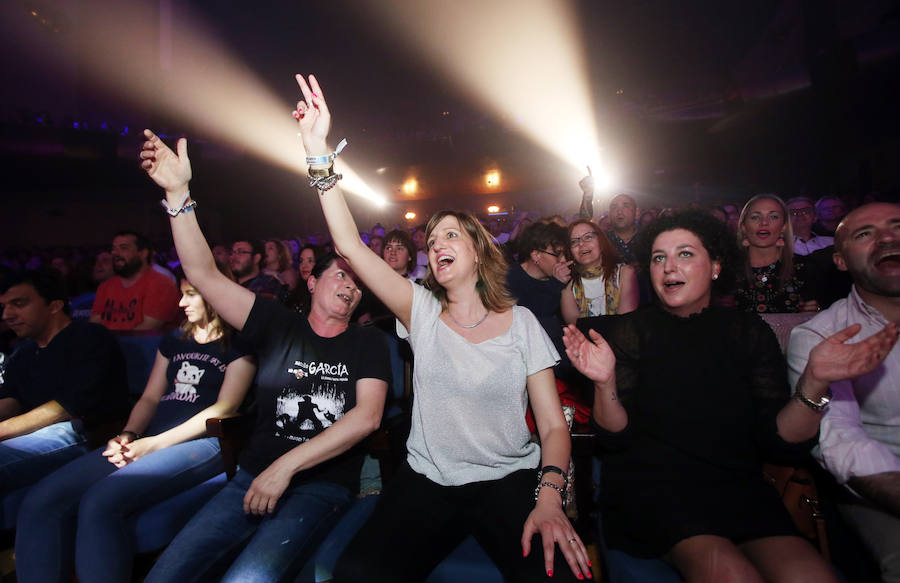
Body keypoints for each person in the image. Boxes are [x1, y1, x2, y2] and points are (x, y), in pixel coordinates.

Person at [290, 73, 588, 582]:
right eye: (432, 237)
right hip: (427, 480)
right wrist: (319, 154)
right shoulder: (421, 311)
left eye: (451, 233)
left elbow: (554, 426)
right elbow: (350, 246)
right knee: (358, 574)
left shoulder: (521, 325)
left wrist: (550, 495)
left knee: (557, 575)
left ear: (477, 251)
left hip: (509, 478)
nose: (436, 242)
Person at [138, 127, 391, 582]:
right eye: (340, 276)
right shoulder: (275, 323)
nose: (351, 286)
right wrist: (178, 193)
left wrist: (285, 469)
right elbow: (203, 273)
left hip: (320, 487)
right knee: (166, 574)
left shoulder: (366, 342)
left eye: (358, 282)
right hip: (250, 475)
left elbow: (367, 418)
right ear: (312, 281)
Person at [564, 210, 845, 582]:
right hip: (655, 491)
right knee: (733, 575)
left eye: (684, 254)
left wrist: (814, 382)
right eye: (659, 257)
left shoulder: (747, 332)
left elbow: (781, 442)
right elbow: (615, 437)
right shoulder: (630, 331)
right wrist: (604, 383)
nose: (668, 267)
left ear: (715, 266)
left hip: (738, 489)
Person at [15, 266, 257, 583]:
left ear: (215, 294)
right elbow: (150, 399)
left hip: (204, 441)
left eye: (190, 295)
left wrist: (151, 445)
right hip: (149, 436)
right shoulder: (174, 340)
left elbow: (224, 408)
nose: (181, 303)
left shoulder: (240, 343)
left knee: (100, 503)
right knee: (42, 498)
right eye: (181, 294)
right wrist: (128, 435)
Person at [787, 202, 900, 581]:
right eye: (865, 234)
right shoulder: (823, 336)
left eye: (896, 226)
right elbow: (841, 441)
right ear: (840, 260)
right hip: (882, 486)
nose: (887, 237)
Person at [0, 269, 130, 524]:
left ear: (54, 306)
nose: (7, 316)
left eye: (19, 304)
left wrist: (2, 430)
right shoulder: (24, 351)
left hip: (85, 433)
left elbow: (65, 408)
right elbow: (9, 400)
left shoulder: (90, 337)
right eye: (4, 307)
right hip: (36, 433)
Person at [733, 194, 820, 313]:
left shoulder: (805, 269)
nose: (764, 222)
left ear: (784, 227)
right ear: (743, 227)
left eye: (773, 217)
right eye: (755, 217)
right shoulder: (728, 269)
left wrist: (812, 312)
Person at [90, 231, 181, 331]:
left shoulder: (161, 284)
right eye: (114, 249)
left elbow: (146, 330)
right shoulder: (106, 286)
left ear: (143, 254)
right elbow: (95, 324)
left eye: (123, 248)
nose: (115, 253)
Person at [562, 219, 638, 324]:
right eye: (574, 241)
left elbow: (626, 322)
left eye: (588, 237)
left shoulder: (625, 273)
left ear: (600, 241)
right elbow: (576, 328)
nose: (581, 244)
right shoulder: (568, 286)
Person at [605, 194, 639, 265]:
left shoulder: (649, 238)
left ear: (636, 213)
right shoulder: (602, 240)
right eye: (614, 207)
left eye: (626, 206)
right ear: (609, 214)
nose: (619, 212)